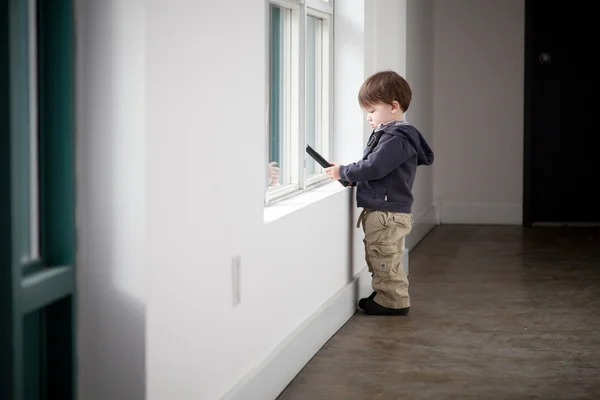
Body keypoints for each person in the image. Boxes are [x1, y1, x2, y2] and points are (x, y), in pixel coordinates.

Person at [324, 70, 434, 316]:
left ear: (393, 107)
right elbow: (382, 173)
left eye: (372, 111)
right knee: (382, 255)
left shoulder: (397, 139)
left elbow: (374, 167)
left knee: (383, 256)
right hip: (387, 210)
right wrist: (354, 179)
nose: (368, 118)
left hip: (387, 213)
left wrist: (344, 172)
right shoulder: (389, 136)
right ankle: (386, 293)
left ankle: (392, 301)